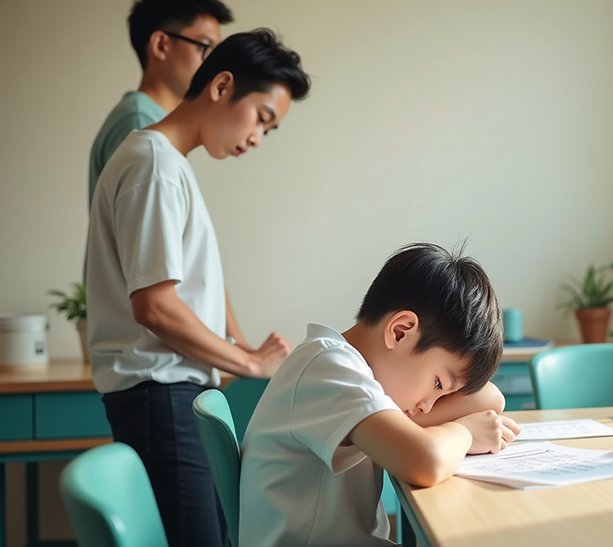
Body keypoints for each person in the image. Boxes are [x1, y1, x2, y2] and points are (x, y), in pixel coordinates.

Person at [86, 29, 311, 547]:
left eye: (268, 130)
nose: (257, 138)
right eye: (261, 118)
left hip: (170, 395)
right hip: (160, 395)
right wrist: (249, 363)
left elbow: (182, 293)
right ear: (221, 85)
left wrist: (239, 350)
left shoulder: (167, 165)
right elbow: (156, 307)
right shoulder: (154, 165)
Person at [239, 243, 521, 547]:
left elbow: (490, 399)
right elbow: (425, 462)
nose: (427, 407)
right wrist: (465, 432)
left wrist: (449, 390)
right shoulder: (330, 369)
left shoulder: (360, 376)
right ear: (400, 332)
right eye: (438, 384)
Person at [89, 0, 234, 209]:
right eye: (206, 48)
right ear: (161, 45)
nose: (213, 66)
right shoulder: (139, 123)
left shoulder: (153, 119)